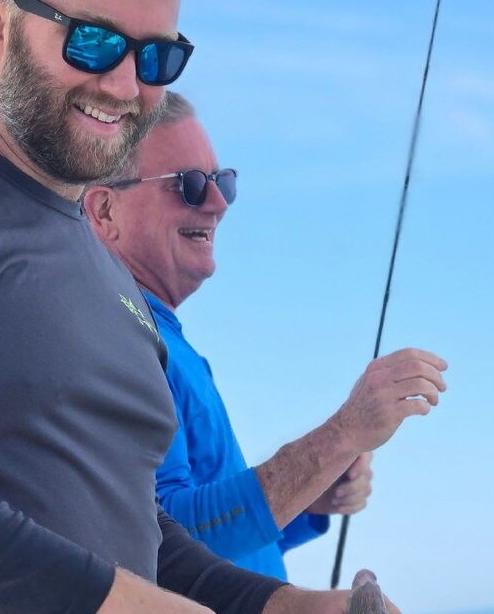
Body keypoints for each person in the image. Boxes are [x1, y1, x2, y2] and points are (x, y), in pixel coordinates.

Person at [0, 0, 400, 614]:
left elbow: (142, 536)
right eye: (91, 40)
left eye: (157, 56)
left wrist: (280, 605)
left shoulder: (117, 286)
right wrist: (115, 604)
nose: (126, 84)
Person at [84, 92, 449, 579]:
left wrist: (311, 495)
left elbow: (219, 534)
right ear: (105, 212)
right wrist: (340, 437)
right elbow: (163, 541)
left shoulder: (158, 335)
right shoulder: (119, 335)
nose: (218, 203)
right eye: (189, 185)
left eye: (223, 182)